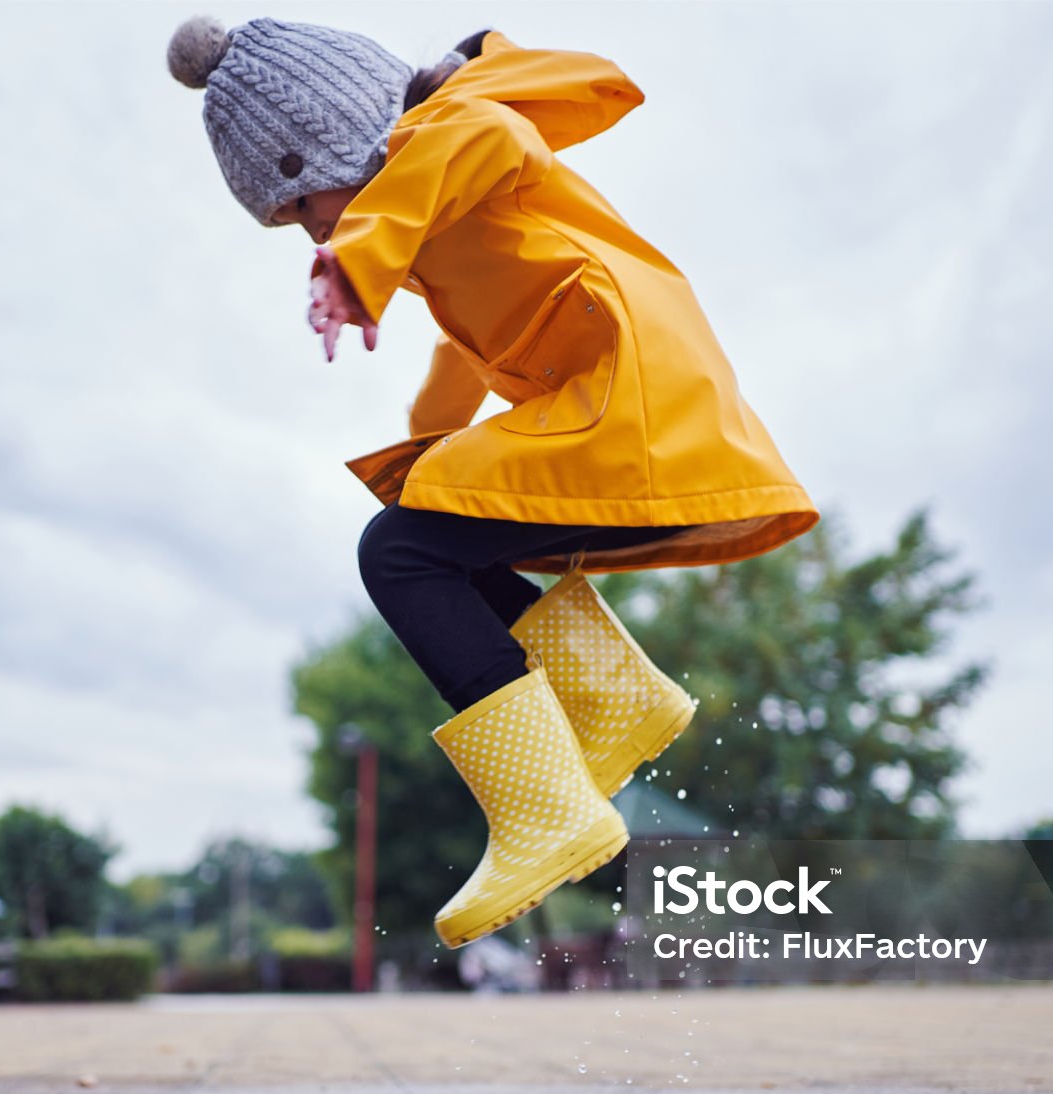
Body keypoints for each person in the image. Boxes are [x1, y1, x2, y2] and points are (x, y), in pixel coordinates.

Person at [168, 17, 818, 948]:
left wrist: (359, 257)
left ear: (334, 143)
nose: (311, 229)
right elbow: (467, 348)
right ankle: (607, 699)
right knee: (427, 530)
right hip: (634, 408)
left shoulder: (461, 126)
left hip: (631, 407)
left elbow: (488, 142)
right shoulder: (441, 210)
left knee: (397, 555)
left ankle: (549, 810)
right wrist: (429, 452)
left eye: (304, 206)